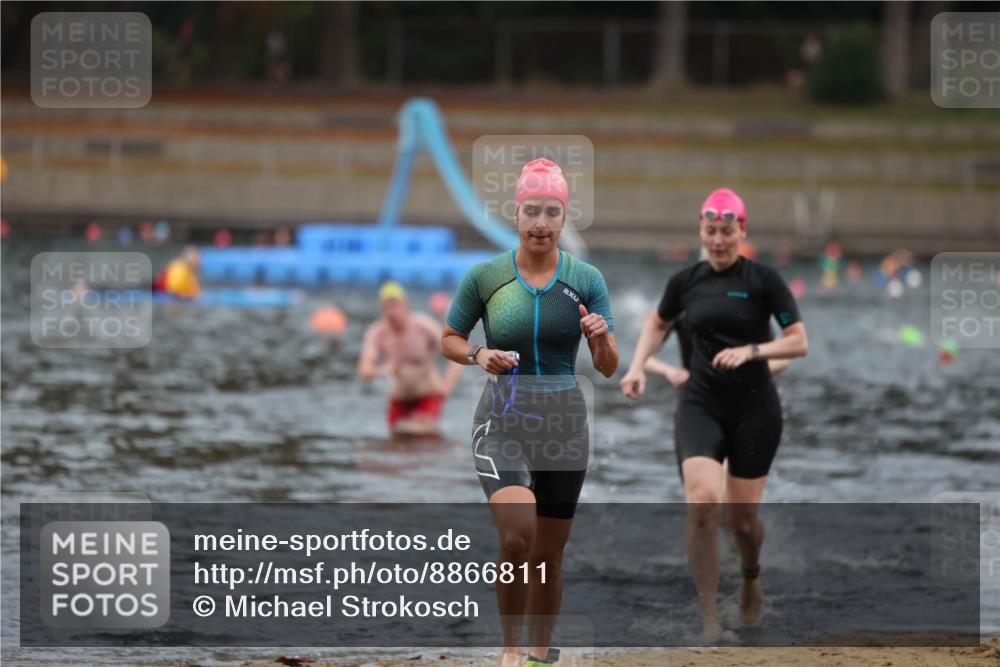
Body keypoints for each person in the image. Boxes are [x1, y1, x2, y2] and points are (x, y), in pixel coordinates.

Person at [441, 158, 618, 667]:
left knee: (549, 556)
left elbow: (607, 368)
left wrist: (600, 339)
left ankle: (541, 655)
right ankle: (511, 650)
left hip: (565, 425)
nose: (541, 222)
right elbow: (448, 338)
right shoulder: (487, 277)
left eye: (552, 212)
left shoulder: (587, 279)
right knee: (518, 536)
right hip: (502, 420)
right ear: (516, 214)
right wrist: (478, 354)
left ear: (565, 219)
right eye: (532, 211)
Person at [619, 188, 808, 641]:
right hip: (700, 403)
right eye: (711, 231)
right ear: (701, 232)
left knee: (742, 523)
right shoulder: (685, 282)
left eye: (727, 231)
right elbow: (656, 324)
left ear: (741, 231)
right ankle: (708, 618)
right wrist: (637, 366)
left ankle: (750, 573)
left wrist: (752, 351)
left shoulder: (764, 280)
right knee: (703, 504)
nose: (718, 239)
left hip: (755, 409)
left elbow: (799, 341)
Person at [358, 281, 462, 436]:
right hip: (399, 398)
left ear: (406, 305)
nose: (391, 312)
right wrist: (381, 370)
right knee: (397, 439)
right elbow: (363, 370)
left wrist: (447, 385)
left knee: (422, 436)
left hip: (428, 395)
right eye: (387, 307)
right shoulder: (377, 333)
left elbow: (456, 353)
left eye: (395, 305)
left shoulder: (423, 326)